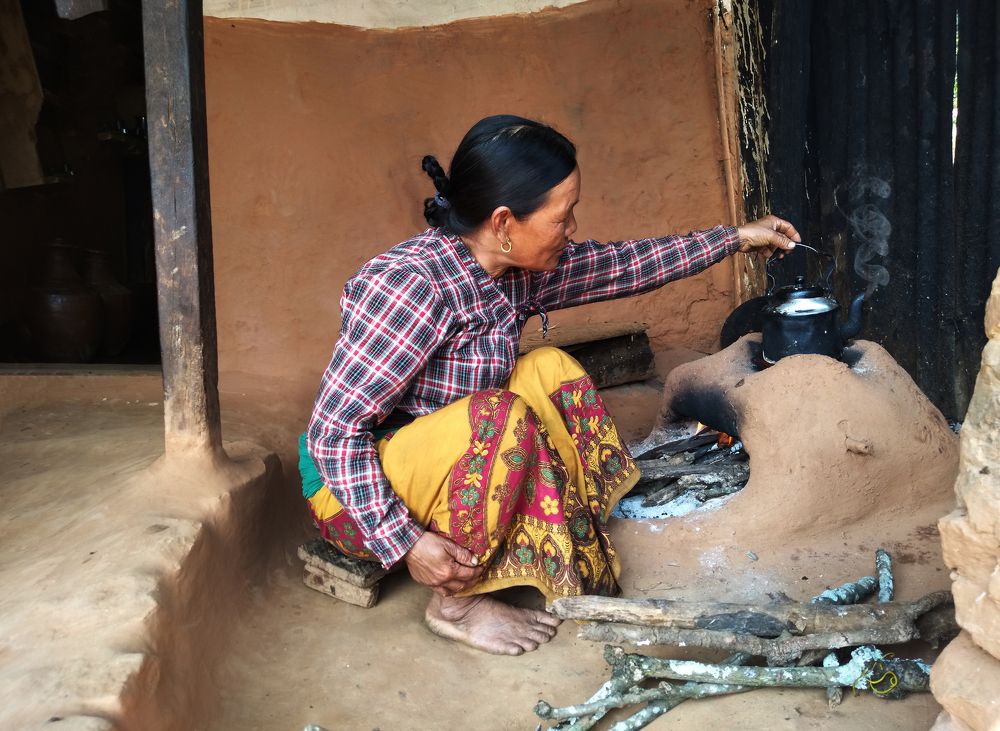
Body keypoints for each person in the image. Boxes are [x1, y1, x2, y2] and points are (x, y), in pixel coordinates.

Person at [301, 114, 799, 655]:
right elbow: (334, 433)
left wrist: (735, 239)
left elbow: (623, 266)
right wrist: (407, 541)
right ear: (503, 223)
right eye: (563, 218)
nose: (572, 230)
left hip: (445, 459)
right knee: (502, 413)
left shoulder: (509, 268)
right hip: (351, 498)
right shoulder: (410, 287)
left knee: (550, 369)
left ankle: (578, 532)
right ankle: (455, 605)